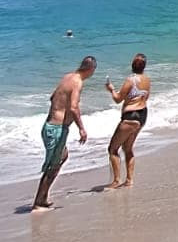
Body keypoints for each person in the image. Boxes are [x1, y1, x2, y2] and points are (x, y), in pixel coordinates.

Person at [32, 55, 96, 211]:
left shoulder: (67, 77)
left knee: (62, 156)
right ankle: (39, 202)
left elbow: (52, 97)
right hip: (57, 129)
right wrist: (81, 128)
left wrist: (58, 110)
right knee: (53, 165)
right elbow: (74, 107)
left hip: (50, 126)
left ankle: (42, 198)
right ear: (91, 69)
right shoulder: (78, 82)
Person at [104, 53, 151, 189]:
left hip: (130, 116)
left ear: (132, 66)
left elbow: (118, 99)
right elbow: (146, 97)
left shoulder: (131, 80)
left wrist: (111, 90)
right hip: (142, 115)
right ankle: (129, 179)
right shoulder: (147, 80)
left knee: (113, 149)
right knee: (128, 148)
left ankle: (116, 180)